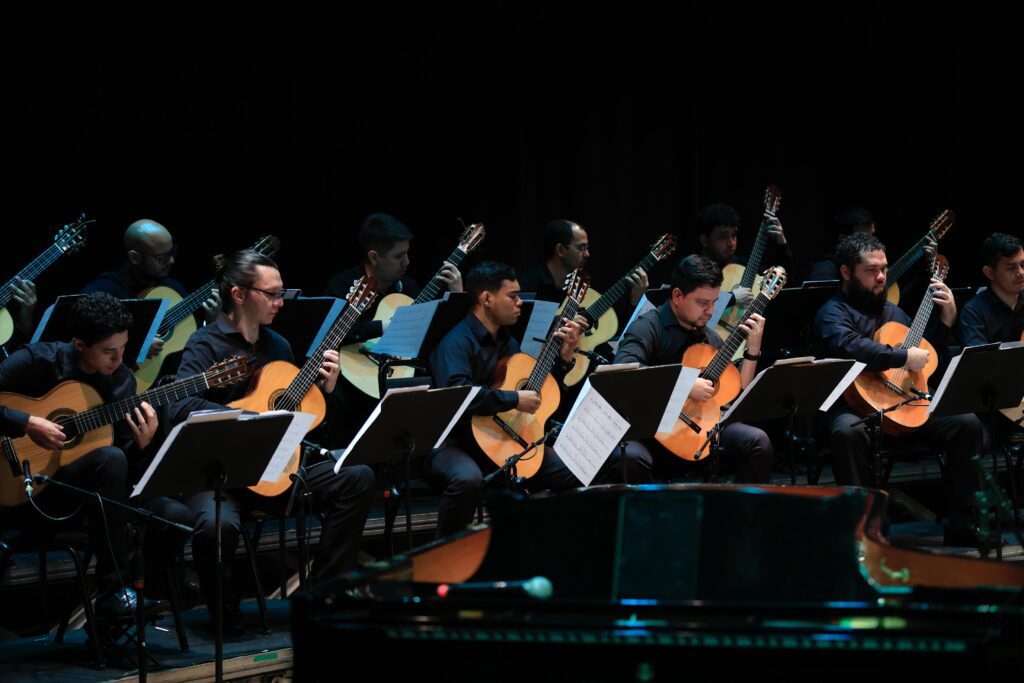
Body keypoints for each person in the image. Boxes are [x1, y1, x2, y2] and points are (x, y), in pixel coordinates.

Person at [166, 250, 375, 628]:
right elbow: (178, 407)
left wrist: (325, 390)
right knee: (217, 525)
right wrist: (249, 418)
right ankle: (221, 607)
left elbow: (303, 421)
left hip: (278, 470)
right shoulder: (205, 344)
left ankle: (326, 593)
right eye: (272, 294)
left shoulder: (278, 345)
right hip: (221, 474)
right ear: (239, 294)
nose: (280, 303)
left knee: (356, 476)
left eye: (282, 294)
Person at [812, 233, 983, 546]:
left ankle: (963, 522)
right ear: (847, 273)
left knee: (966, 423)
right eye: (871, 270)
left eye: (884, 269)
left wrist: (946, 324)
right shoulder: (833, 313)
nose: (881, 277)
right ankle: (863, 530)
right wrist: (902, 355)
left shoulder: (894, 312)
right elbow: (851, 347)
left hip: (905, 407)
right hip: (856, 410)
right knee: (845, 433)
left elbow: (926, 363)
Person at [613, 255, 774, 483]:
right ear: (678, 296)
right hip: (651, 431)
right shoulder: (647, 327)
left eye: (715, 301)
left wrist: (753, 349)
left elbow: (736, 392)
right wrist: (685, 385)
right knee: (630, 458)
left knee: (758, 441)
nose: (710, 311)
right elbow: (622, 372)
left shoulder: (710, 337)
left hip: (697, 429)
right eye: (702, 303)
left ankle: (738, 514)